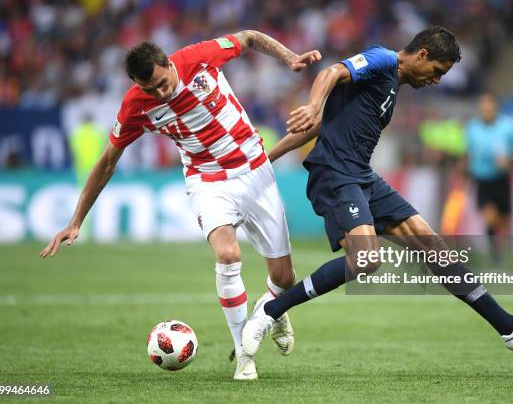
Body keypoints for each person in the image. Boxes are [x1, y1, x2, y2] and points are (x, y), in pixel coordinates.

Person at [242, 26, 513, 362]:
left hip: (362, 177)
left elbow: (322, 126)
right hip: (335, 175)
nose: (435, 80)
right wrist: (314, 105)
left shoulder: (389, 86)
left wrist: (264, 159)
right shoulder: (382, 59)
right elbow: (331, 73)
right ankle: (270, 311)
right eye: (437, 71)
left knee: (434, 248)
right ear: (422, 55)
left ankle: (508, 327)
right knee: (366, 259)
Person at [39, 30, 322, 380]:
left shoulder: (198, 57)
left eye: (161, 82)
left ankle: (272, 312)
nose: (160, 92)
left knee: (284, 278)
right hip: (206, 180)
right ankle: (245, 354)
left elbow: (248, 37)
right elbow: (108, 161)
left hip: (254, 168)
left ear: (169, 64)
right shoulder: (135, 106)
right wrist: (76, 219)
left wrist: (289, 57)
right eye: (149, 89)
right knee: (228, 255)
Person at [466, 93, 513, 262]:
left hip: (502, 179)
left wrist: (509, 162)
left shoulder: (508, 126)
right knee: (489, 216)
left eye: (489, 107)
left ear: (496, 108)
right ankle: (494, 250)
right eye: (483, 108)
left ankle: (497, 240)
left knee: (504, 219)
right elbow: (467, 153)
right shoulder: (473, 128)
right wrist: (465, 174)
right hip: (482, 179)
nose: (486, 111)